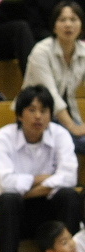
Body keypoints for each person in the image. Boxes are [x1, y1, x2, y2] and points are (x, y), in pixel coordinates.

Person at [0, 85, 82, 252]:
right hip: (17, 217)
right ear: (19, 115)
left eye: (44, 110)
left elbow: (69, 177)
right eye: (32, 110)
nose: (38, 116)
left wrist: (27, 188)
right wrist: (44, 178)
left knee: (69, 196)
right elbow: (6, 182)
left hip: (50, 217)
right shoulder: (2, 138)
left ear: (51, 114)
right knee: (8, 199)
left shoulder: (60, 135)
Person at [21, 1, 85, 154]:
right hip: (39, 116)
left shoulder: (83, 51)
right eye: (62, 20)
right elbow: (52, 96)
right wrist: (73, 128)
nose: (68, 25)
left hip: (69, 115)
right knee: (72, 143)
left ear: (81, 26)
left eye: (73, 19)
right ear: (54, 27)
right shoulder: (41, 51)